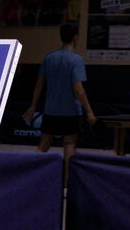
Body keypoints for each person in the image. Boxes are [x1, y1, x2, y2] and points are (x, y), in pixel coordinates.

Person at [23, 22, 96, 181]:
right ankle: (67, 183)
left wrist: (33, 106)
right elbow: (78, 89)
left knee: (44, 145)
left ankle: (28, 176)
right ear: (75, 37)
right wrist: (89, 111)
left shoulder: (49, 58)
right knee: (69, 144)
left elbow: (39, 85)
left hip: (51, 111)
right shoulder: (76, 60)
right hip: (71, 112)